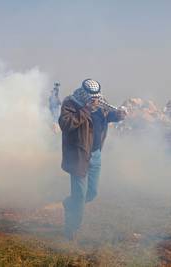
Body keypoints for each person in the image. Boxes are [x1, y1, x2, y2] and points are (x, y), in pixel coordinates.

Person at [58, 78, 126, 241]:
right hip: (79, 155)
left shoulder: (100, 102)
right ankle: (71, 229)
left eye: (97, 96)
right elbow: (65, 124)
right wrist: (86, 109)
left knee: (92, 192)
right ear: (84, 93)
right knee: (80, 197)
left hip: (95, 154)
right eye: (92, 97)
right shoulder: (71, 103)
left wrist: (119, 115)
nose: (95, 100)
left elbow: (107, 115)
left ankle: (69, 203)